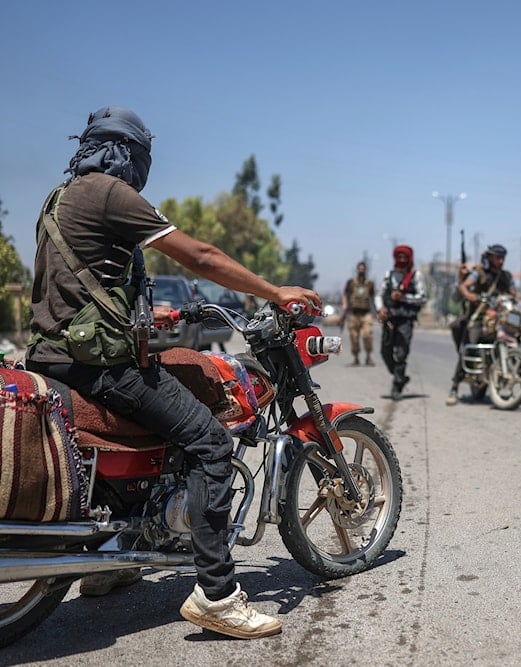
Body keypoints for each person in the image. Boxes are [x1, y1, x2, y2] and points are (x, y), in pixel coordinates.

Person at [25, 107, 321, 637]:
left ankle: (112, 564)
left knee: (164, 423)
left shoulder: (58, 199)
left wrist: (145, 314)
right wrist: (277, 292)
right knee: (209, 442)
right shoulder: (111, 192)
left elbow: (74, 286)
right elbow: (201, 256)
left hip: (51, 359)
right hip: (101, 369)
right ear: (128, 154)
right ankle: (217, 594)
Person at [445, 244, 517, 406]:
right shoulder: (480, 274)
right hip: (478, 318)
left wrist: (508, 297)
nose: (501, 261)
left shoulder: (506, 276)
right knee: (470, 345)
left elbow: (514, 293)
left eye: (502, 257)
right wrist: (471, 296)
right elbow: (464, 286)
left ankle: (520, 380)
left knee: (517, 336)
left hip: (500, 318)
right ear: (490, 258)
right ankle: (454, 388)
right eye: (497, 257)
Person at [376, 245, 427, 400]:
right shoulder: (389, 275)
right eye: (399, 256)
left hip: (406, 319)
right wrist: (381, 309)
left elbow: (422, 298)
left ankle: (397, 385)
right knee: (385, 352)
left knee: (401, 354)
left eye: (405, 257)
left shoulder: (416, 275)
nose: (402, 260)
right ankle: (400, 376)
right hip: (389, 319)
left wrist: (403, 297)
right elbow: (380, 295)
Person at [341, 261, 376, 366]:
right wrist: (344, 305)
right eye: (360, 269)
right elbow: (345, 295)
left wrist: (377, 312)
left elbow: (373, 297)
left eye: (363, 269)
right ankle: (356, 358)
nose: (361, 271)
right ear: (357, 269)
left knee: (367, 335)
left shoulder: (370, 283)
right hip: (353, 314)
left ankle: (368, 357)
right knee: (354, 337)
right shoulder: (351, 282)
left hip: (366, 314)